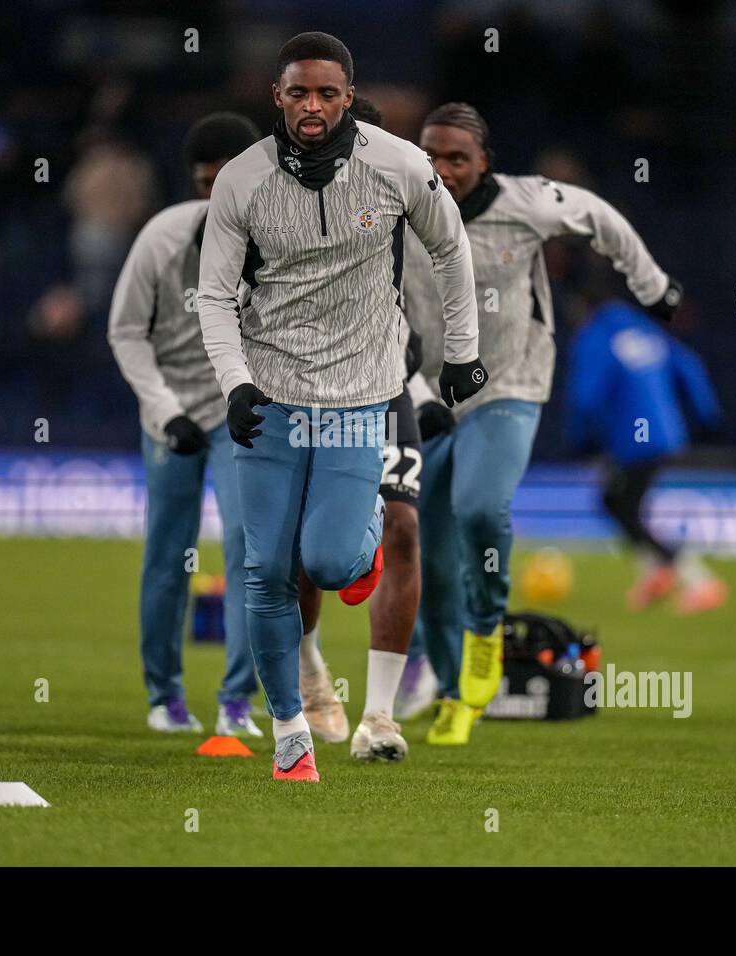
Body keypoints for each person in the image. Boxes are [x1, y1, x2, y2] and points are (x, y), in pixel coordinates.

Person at [198, 34, 486, 782]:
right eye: (300, 93)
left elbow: (451, 249)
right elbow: (215, 296)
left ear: (350, 95)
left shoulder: (396, 164)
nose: (314, 106)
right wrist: (233, 383)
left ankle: (355, 558)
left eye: (328, 93)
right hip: (272, 393)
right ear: (278, 97)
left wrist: (460, 351)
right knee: (264, 570)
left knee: (329, 561)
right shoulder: (241, 180)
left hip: (363, 393)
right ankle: (290, 733)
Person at [402, 103, 681, 745]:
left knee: (478, 508)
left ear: (484, 162)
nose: (443, 170)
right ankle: (452, 688)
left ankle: (485, 633)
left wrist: (652, 284)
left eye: (458, 159)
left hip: (510, 385)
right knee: (430, 555)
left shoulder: (528, 203)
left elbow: (601, 218)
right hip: (427, 396)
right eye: (432, 157)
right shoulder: (398, 204)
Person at [108, 112, 264, 736]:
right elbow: (125, 332)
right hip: (171, 415)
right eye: (205, 180)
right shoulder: (162, 239)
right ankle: (164, 696)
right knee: (169, 556)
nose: (216, 191)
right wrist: (165, 410)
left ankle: (236, 703)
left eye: (227, 177)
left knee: (252, 553)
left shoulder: (281, 241)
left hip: (240, 413)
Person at [293, 95, 432, 762]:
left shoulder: (408, 202)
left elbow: (429, 298)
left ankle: (380, 717)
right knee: (306, 547)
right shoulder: (281, 199)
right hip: (305, 388)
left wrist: (431, 378)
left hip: (385, 385)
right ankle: (310, 664)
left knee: (403, 524)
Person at [566, 298, 726, 614]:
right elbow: (690, 367)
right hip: (666, 434)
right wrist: (708, 414)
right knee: (622, 504)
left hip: (632, 441)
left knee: (620, 506)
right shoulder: (643, 329)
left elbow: (586, 397)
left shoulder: (594, 337)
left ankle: (700, 582)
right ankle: (658, 573)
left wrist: (582, 438)